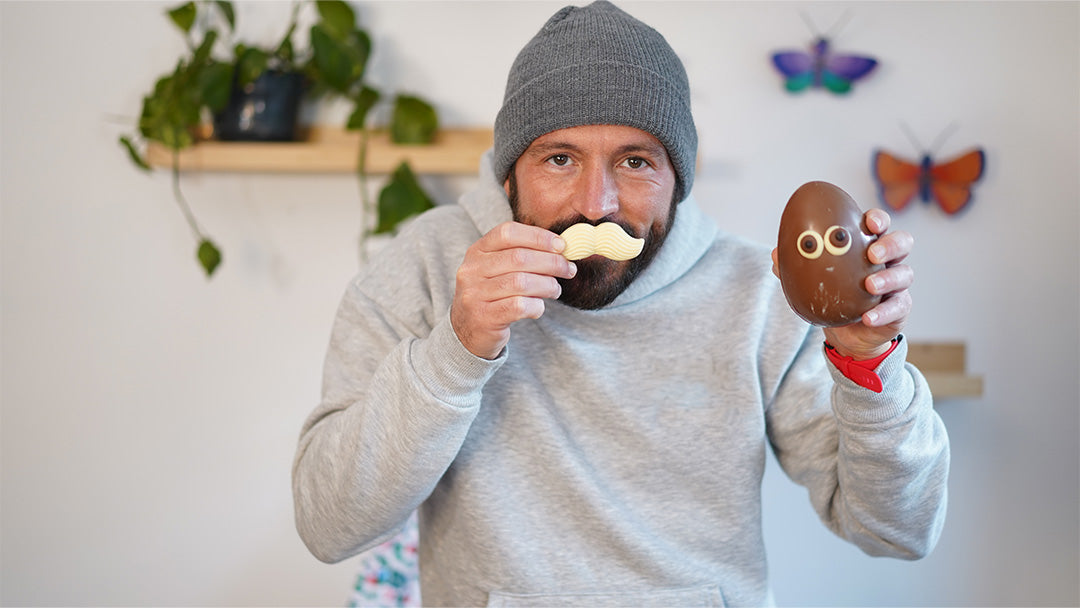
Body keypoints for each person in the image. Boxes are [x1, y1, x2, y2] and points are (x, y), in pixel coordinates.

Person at [292, 2, 950, 605]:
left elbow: (898, 532)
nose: (596, 203)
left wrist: (871, 370)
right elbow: (327, 525)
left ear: (676, 178)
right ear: (510, 169)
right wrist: (455, 350)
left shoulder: (756, 295)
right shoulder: (430, 269)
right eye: (558, 158)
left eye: (636, 162)